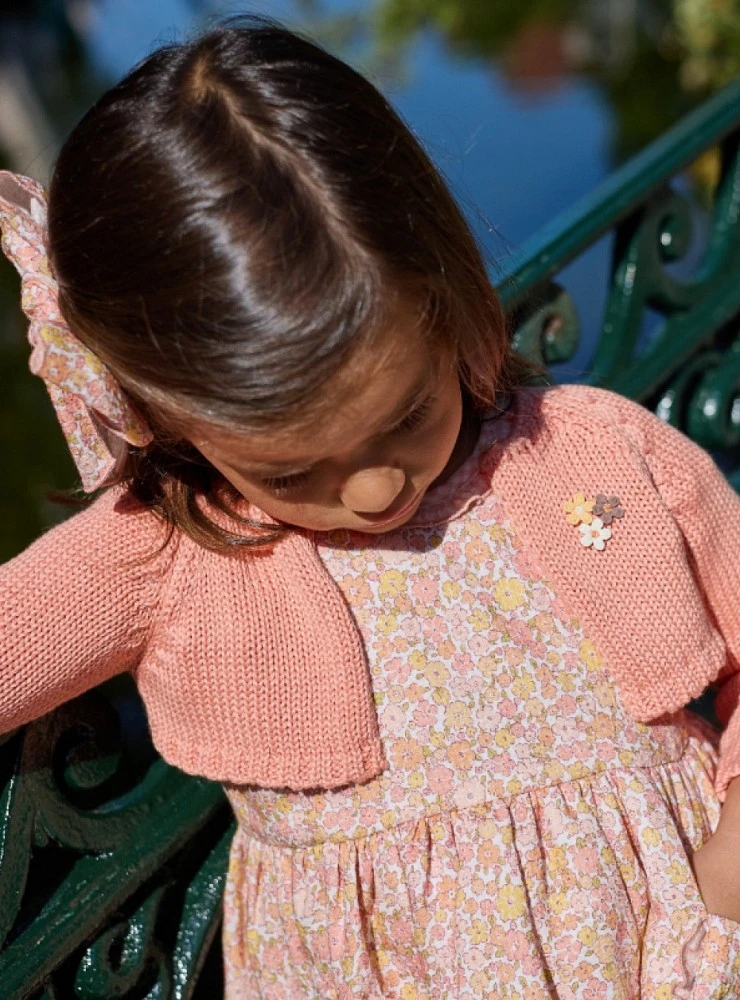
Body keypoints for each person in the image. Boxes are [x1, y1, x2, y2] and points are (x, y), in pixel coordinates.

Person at [1, 17, 740, 999]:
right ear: (170, 419)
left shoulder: (589, 452)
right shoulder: (168, 555)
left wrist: (726, 872)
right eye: (292, 470)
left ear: (440, 292)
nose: (372, 487)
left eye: (405, 415)